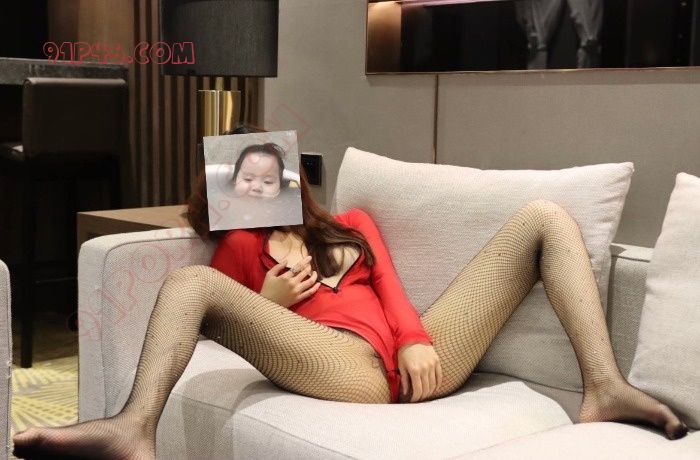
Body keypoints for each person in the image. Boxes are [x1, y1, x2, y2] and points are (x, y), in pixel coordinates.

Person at [12, 124, 688, 459]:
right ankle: (134, 427)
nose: (258, 185)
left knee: (544, 218)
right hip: (336, 363)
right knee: (190, 283)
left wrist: (417, 339)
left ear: (290, 179)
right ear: (229, 192)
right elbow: (236, 326)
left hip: (417, 358)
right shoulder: (240, 246)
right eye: (245, 179)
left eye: (268, 175)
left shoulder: (351, 224)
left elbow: (391, 290)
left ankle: (604, 385)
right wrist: (271, 300)